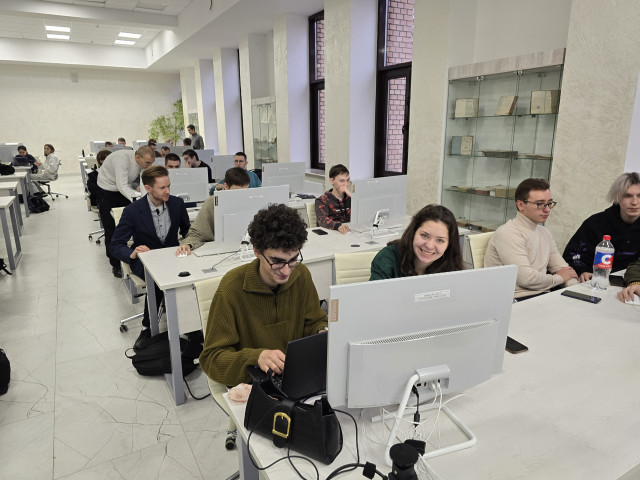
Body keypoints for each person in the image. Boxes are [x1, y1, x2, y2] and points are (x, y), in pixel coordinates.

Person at [199, 203, 328, 447]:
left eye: (293, 259)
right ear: (257, 251)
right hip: (256, 387)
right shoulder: (231, 289)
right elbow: (212, 359)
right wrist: (256, 357)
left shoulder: (301, 276)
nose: (286, 271)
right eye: (277, 261)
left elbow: (314, 321)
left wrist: (321, 333)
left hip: (298, 381)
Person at [110, 165, 190, 350]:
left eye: (169, 186)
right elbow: (115, 245)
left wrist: (187, 243)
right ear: (148, 188)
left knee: (189, 277)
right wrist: (131, 254)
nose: (167, 191)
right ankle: (148, 327)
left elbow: (187, 231)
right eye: (162, 188)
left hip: (172, 256)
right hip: (145, 261)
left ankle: (190, 325)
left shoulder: (177, 204)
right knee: (157, 279)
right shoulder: (132, 211)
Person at [484, 178, 579, 300]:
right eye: (540, 204)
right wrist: (559, 278)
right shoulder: (508, 233)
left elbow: (564, 270)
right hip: (514, 300)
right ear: (521, 205)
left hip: (542, 295)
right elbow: (526, 279)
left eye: (549, 203)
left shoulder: (545, 233)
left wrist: (575, 291)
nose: (547, 209)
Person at [563, 172, 640, 282]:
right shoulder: (595, 223)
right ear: (617, 197)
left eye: (639, 196)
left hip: (633, 283)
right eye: (627, 196)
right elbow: (572, 255)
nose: (635, 202)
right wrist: (582, 271)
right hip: (595, 282)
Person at [97, 145, 155, 278]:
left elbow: (144, 181)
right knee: (111, 229)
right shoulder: (121, 159)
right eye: (147, 162)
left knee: (130, 226)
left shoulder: (142, 161)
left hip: (123, 190)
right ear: (137, 157)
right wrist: (137, 201)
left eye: (152, 162)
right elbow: (121, 184)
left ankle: (132, 257)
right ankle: (115, 265)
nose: (150, 165)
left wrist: (146, 199)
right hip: (107, 191)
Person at [369, 204, 464, 280]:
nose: (429, 246)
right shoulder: (388, 258)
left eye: (440, 240)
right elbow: (377, 297)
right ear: (413, 233)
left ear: (449, 244)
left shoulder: (452, 267)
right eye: (424, 235)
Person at [175, 167, 250, 255]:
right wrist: (188, 244)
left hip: (247, 249)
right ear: (226, 186)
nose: (241, 196)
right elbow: (197, 233)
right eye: (236, 191)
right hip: (222, 252)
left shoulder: (252, 200)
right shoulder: (212, 203)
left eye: (245, 191)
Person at [315, 164, 351, 234]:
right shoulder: (322, 200)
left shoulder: (350, 198)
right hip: (332, 234)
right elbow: (322, 220)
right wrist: (338, 226)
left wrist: (352, 196)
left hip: (350, 232)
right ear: (332, 180)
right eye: (342, 181)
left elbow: (364, 213)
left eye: (348, 180)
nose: (346, 184)